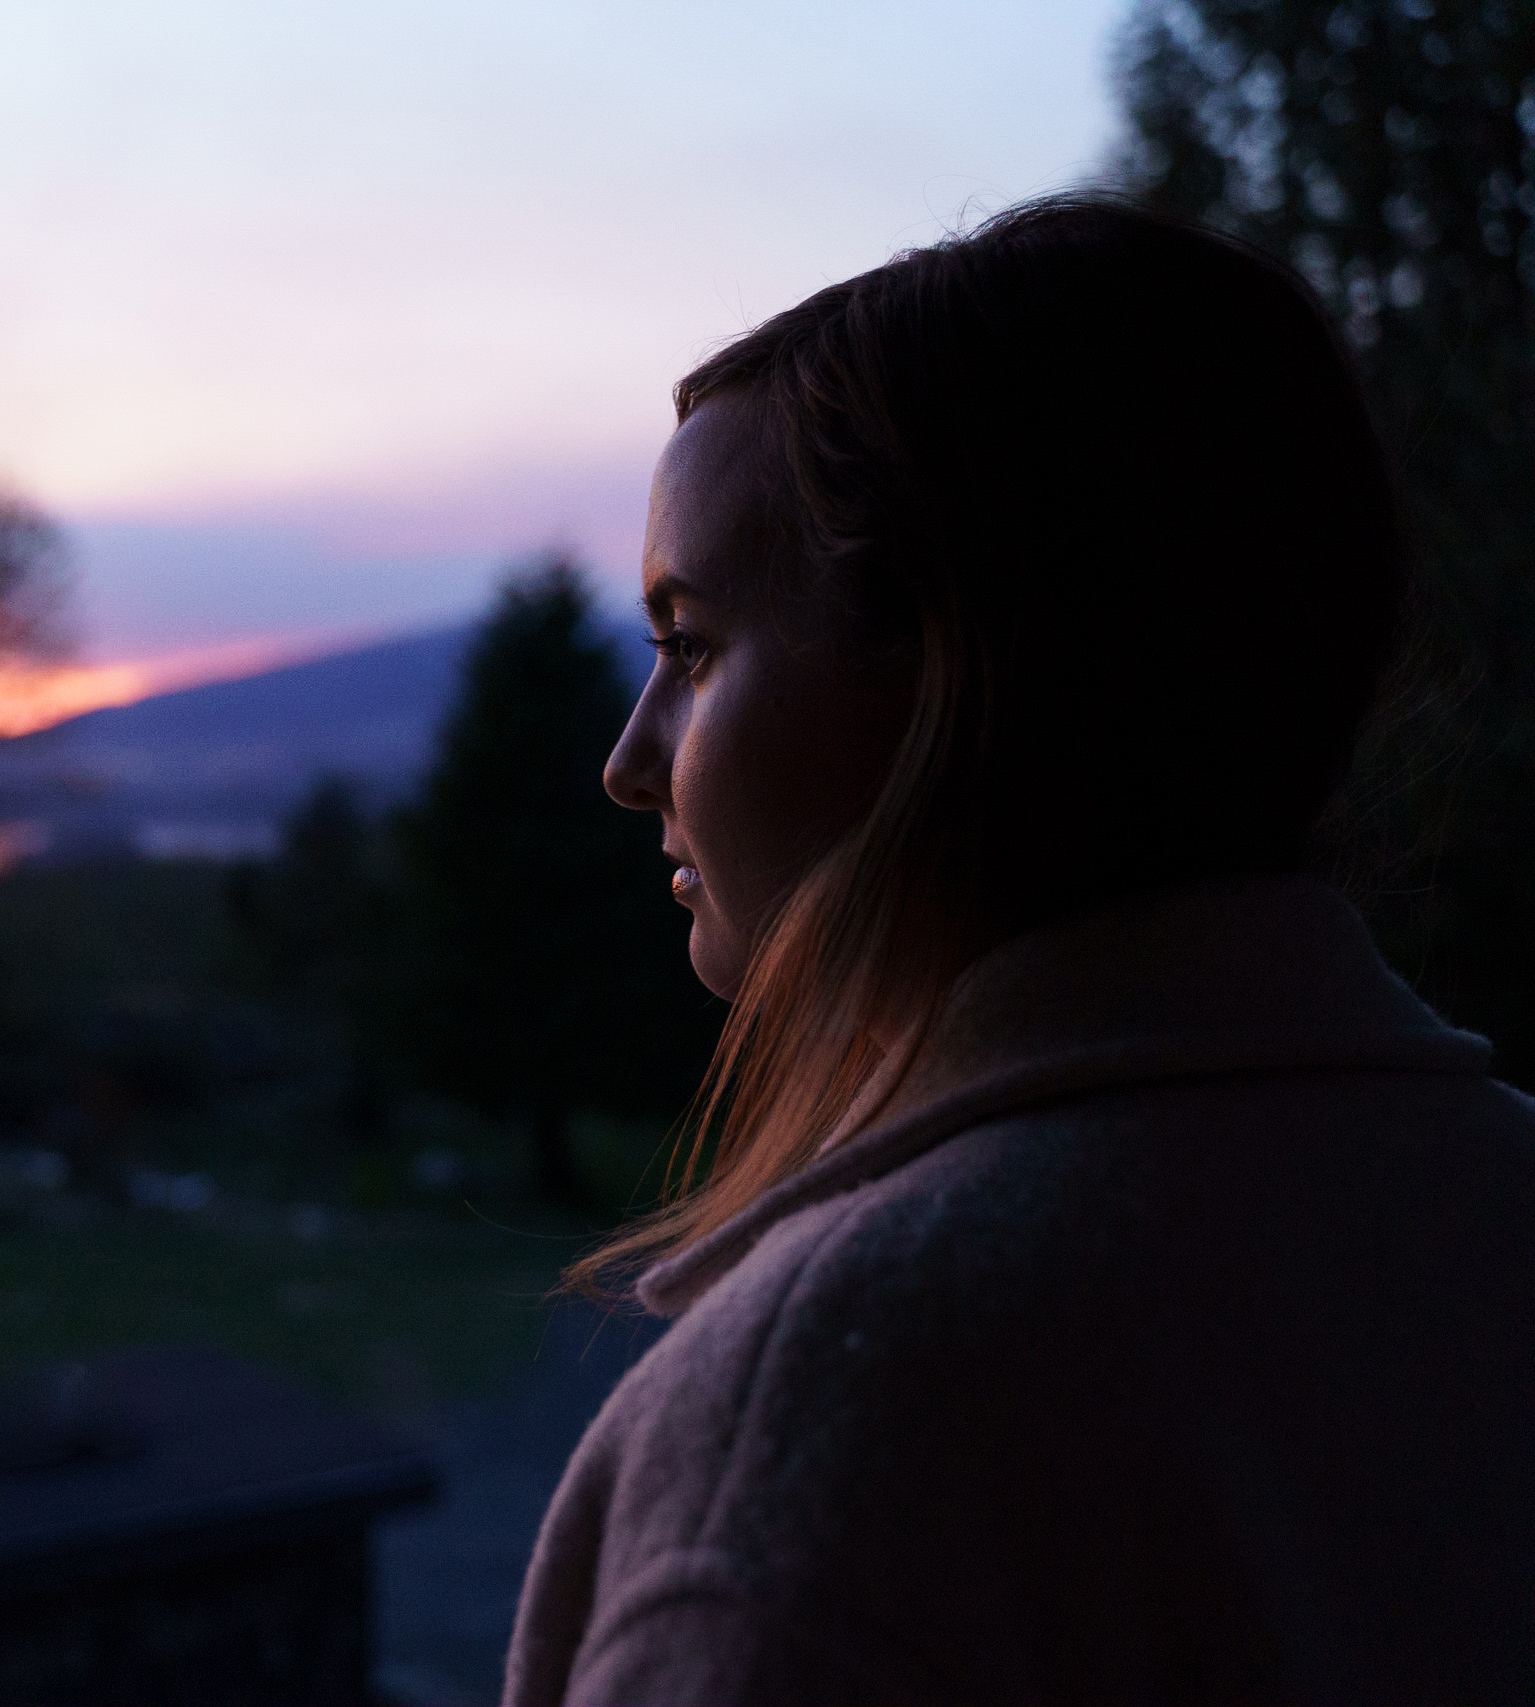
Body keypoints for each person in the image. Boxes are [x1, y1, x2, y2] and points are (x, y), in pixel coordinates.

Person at [505, 196, 1535, 1706]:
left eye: (692, 647)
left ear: (946, 682)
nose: (629, 759)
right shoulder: (1489, 1193)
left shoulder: (844, 1406)